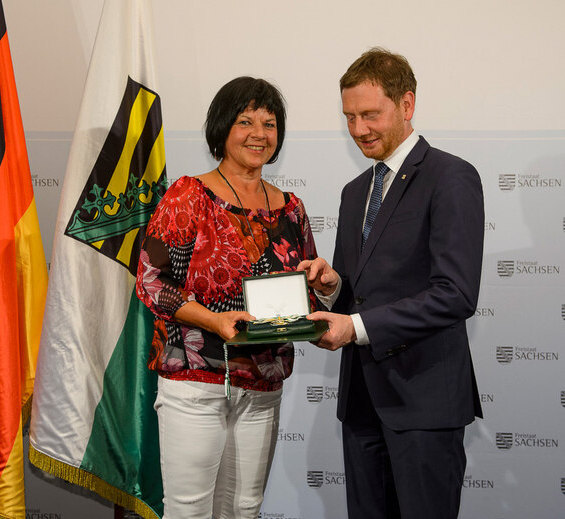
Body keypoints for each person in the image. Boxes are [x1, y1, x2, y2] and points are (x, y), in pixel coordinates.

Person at [300, 48, 484, 519]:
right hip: (361, 404)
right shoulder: (354, 192)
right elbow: (356, 292)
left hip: (424, 404)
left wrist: (356, 328)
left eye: (370, 114)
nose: (359, 128)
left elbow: (456, 294)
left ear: (407, 104)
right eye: (349, 117)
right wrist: (331, 286)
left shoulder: (451, 176)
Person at [136, 76, 318, 519]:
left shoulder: (291, 208)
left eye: (269, 124)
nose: (259, 134)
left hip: (263, 384)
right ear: (222, 127)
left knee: (244, 509)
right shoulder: (189, 195)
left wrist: (323, 286)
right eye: (245, 121)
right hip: (196, 381)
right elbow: (151, 281)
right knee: (189, 511)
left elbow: (305, 291)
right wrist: (213, 320)